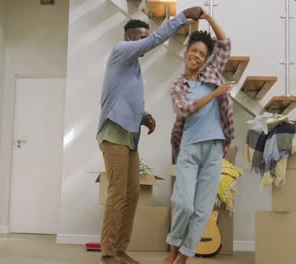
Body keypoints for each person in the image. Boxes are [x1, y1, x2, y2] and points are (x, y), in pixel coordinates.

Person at [97, 7, 204, 264]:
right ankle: (108, 252)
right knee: (117, 192)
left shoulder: (131, 66)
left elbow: (125, 97)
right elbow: (155, 40)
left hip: (129, 136)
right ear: (130, 38)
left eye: (146, 35)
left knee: (132, 194)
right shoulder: (121, 52)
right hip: (113, 133)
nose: (145, 41)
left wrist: (144, 115)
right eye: (141, 36)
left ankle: (120, 249)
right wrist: (182, 17)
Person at [163, 8, 234, 264]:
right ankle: (173, 247)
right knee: (183, 204)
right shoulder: (178, 86)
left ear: (206, 60)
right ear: (186, 53)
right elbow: (184, 109)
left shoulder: (211, 75)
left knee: (203, 209)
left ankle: (184, 254)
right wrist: (214, 95)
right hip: (189, 149)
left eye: (202, 54)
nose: (197, 56)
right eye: (194, 51)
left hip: (214, 149)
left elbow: (224, 45)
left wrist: (209, 18)